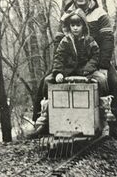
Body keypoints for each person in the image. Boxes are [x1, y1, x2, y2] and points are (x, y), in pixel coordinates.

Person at [31, 0, 117, 139]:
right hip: (69, 62)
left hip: (94, 60)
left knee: (112, 81)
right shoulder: (67, 15)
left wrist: (102, 66)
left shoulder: (100, 14)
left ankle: (116, 124)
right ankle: (41, 122)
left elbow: (108, 40)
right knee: (45, 81)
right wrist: (58, 69)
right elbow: (59, 42)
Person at [27, 8, 109, 138]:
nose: (75, 28)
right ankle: (45, 115)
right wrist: (59, 72)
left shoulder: (89, 41)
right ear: (69, 26)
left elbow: (95, 56)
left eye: (78, 25)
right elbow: (58, 58)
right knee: (47, 81)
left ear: (83, 26)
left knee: (102, 79)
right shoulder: (65, 41)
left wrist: (88, 69)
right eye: (73, 25)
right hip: (68, 71)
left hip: (86, 71)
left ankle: (104, 114)